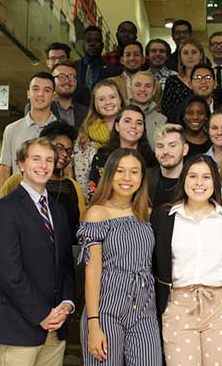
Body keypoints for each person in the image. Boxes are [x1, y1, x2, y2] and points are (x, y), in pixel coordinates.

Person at [0, 137, 75, 366]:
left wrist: (67, 302)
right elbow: (9, 273)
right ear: (21, 164)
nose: (43, 165)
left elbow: (66, 263)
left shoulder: (58, 211)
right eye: (36, 159)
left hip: (56, 328)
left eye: (49, 160)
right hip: (20, 328)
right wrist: (42, 314)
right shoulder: (4, 210)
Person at [151, 154, 222, 366]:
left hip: (220, 305)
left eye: (206, 177)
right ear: (183, 180)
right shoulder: (164, 216)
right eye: (192, 176)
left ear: (215, 182)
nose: (199, 183)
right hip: (178, 304)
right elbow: (154, 261)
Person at [77, 148, 162, 365]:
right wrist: (93, 324)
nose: (127, 178)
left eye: (134, 172)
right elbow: (92, 271)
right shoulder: (97, 213)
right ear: (109, 175)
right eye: (120, 171)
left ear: (142, 177)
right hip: (106, 308)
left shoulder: (147, 214)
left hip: (144, 308)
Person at [0, 121, 85, 241]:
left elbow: (82, 224)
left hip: (65, 253)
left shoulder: (73, 186)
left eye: (69, 151)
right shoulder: (17, 181)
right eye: (59, 148)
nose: (64, 154)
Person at [0, 72, 58, 197]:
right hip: (18, 200)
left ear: (53, 96)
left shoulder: (61, 130)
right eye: (35, 89)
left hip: (53, 199)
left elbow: (67, 173)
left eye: (47, 90)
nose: (40, 94)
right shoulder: (11, 129)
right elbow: (4, 170)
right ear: (28, 93)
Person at [88, 105, 156, 200]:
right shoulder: (102, 157)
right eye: (127, 121)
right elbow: (94, 193)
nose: (133, 126)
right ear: (117, 126)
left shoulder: (152, 159)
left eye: (139, 123)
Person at [73, 79, 124, 201]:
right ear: (95, 104)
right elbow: (81, 176)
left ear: (120, 99)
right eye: (101, 99)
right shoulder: (86, 133)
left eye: (112, 97)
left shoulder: (131, 128)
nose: (108, 102)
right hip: (96, 201)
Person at [147, 124, 189, 208]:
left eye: (172, 145)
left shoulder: (194, 181)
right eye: (160, 146)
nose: (165, 151)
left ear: (185, 149)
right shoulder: (145, 178)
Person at [161, 39, 205, 115]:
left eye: (194, 52)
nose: (190, 56)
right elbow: (166, 109)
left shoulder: (208, 80)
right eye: (185, 53)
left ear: (201, 55)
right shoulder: (172, 81)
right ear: (180, 57)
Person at [74, 26, 120, 93]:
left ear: (102, 45)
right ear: (83, 44)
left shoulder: (112, 70)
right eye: (88, 41)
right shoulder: (74, 67)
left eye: (96, 41)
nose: (92, 44)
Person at [130, 71, 167, 147]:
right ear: (130, 88)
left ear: (153, 91)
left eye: (148, 86)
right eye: (138, 85)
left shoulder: (162, 120)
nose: (142, 89)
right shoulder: (119, 114)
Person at [179, 95, 212, 160]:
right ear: (183, 116)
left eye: (200, 113)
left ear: (206, 117)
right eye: (190, 113)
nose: (195, 117)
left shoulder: (213, 142)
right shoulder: (177, 142)